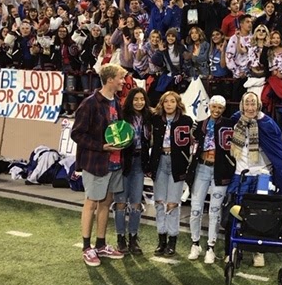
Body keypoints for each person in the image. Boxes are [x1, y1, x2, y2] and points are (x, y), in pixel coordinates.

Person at [225, 92, 282, 267]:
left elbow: (277, 147)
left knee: (262, 214)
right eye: (246, 104)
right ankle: (231, 248)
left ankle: (258, 252)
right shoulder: (236, 121)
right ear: (242, 105)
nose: (250, 108)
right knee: (234, 212)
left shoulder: (267, 124)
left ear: (259, 105)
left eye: (253, 104)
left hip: (262, 176)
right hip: (241, 175)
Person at [71, 63, 127, 267]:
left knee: (105, 202)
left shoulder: (117, 102)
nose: (123, 81)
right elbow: (76, 134)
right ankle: (87, 247)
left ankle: (101, 244)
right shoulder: (90, 103)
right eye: (121, 78)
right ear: (110, 79)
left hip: (114, 162)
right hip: (96, 162)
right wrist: (101, 147)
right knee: (92, 202)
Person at [187, 95, 235, 264]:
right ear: (209, 106)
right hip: (201, 168)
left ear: (223, 109)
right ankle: (195, 243)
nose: (216, 111)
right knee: (195, 208)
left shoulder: (229, 124)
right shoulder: (199, 125)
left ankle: (211, 247)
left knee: (215, 210)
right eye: (214, 107)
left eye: (219, 108)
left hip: (220, 171)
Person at [150, 91, 195, 257]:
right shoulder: (155, 119)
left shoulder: (186, 121)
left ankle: (172, 240)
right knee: (159, 202)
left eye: (172, 101)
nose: (169, 104)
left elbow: (194, 141)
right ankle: (161, 238)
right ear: (161, 104)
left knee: (173, 204)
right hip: (159, 162)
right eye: (166, 102)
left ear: (178, 103)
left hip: (177, 165)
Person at [114, 87, 152, 255]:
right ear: (130, 100)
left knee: (136, 203)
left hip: (139, 164)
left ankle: (133, 238)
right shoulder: (122, 115)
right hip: (123, 163)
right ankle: (121, 238)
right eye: (136, 99)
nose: (139, 102)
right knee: (121, 203)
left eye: (142, 99)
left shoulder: (148, 117)